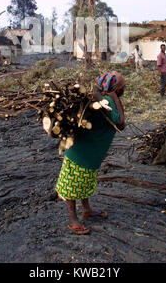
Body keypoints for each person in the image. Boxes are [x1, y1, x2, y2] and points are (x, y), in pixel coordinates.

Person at [55, 71, 125, 235]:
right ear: (114, 88)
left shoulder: (104, 100)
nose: (124, 89)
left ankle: (86, 210)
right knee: (71, 186)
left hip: (91, 155)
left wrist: (114, 97)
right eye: (122, 87)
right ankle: (73, 221)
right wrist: (114, 96)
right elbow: (121, 123)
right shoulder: (106, 101)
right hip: (81, 154)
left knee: (84, 183)